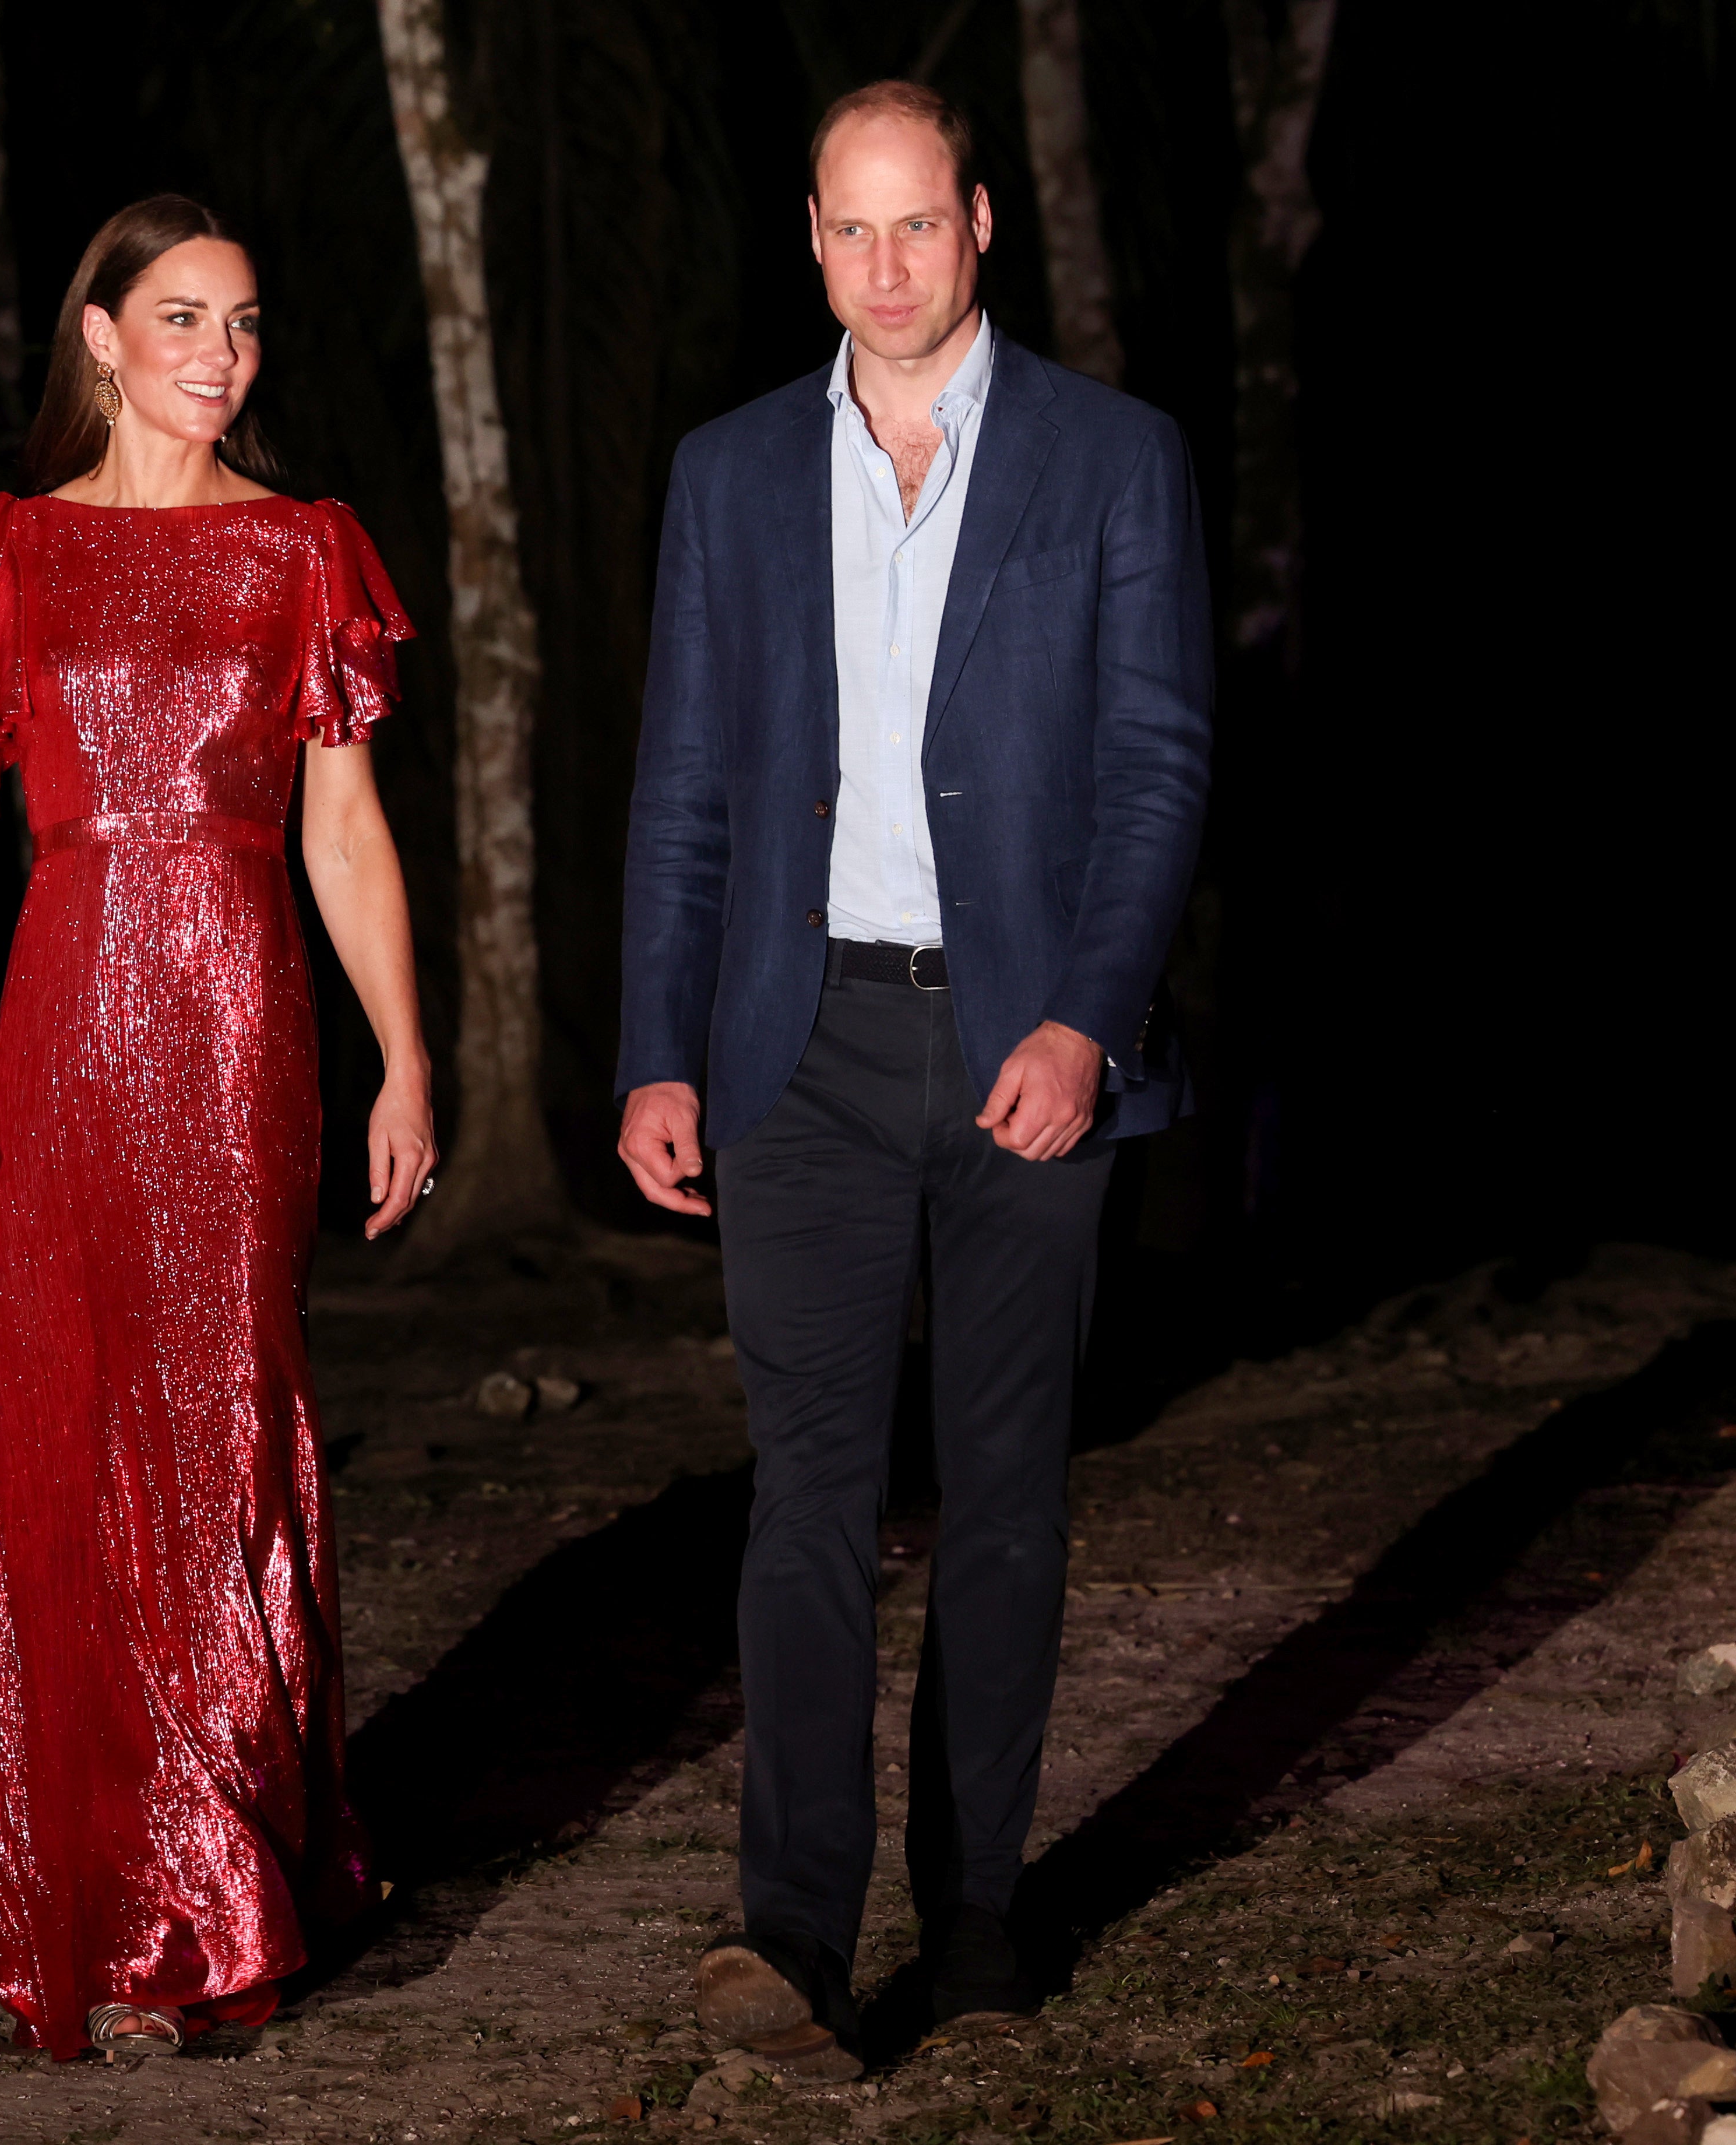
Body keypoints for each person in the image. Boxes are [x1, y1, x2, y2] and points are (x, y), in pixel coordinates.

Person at [615, 81, 1213, 2067]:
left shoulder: (1113, 461)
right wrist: (655, 1053)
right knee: (805, 1501)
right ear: (813, 237)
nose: (885, 268)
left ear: (977, 226)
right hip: (798, 1050)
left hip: (1024, 1046)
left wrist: (1088, 1018)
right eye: (848, 233)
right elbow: (685, 790)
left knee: (1010, 1498)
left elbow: (1156, 772)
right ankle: (788, 1935)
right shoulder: (728, 475)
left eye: (917, 229)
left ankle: (975, 1919)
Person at [0, 195, 436, 2064]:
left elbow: (342, 831)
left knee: (223, 1423)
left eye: (246, 322)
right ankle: (104, 1885)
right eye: (183, 319)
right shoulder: (3, 561)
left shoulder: (301, 550)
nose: (222, 354)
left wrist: (406, 1056)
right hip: (65, 1022)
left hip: (241, 1023)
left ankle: (229, 1891)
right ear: (100, 336)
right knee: (69, 1429)